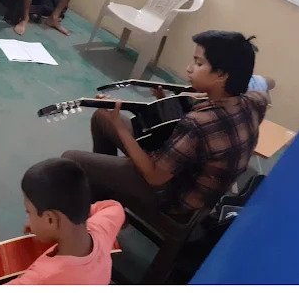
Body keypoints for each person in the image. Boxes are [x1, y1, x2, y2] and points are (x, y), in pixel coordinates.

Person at [63, 30, 268, 222]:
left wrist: (119, 126)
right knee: (102, 117)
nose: (189, 68)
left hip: (177, 199)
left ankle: (92, 221)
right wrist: (165, 103)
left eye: (198, 63)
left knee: (72, 159)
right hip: (194, 181)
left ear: (221, 74)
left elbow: (155, 177)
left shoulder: (197, 123)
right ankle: (105, 204)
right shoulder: (256, 100)